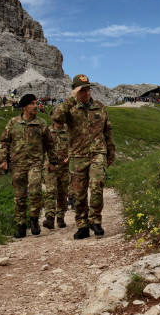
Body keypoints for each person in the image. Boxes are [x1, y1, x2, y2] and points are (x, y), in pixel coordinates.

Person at [51, 74, 115, 240]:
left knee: (97, 184)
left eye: (88, 89)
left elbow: (107, 131)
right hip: (78, 156)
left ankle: (96, 220)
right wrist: (71, 99)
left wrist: (110, 152)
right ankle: (82, 225)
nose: (87, 93)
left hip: (97, 153)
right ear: (76, 91)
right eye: (82, 90)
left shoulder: (100, 107)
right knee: (79, 194)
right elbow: (56, 117)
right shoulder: (70, 108)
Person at [0, 94, 57, 238]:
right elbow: (4, 142)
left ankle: (34, 220)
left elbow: (49, 144)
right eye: (32, 103)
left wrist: (53, 161)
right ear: (24, 107)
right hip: (17, 164)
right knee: (20, 196)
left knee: (36, 190)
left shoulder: (41, 123)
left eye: (36, 103)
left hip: (35, 164)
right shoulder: (13, 122)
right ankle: (21, 225)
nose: (36, 106)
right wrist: (2, 160)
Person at [43, 117, 70, 229]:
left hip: (65, 167)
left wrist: (70, 156)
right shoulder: (46, 131)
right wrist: (46, 162)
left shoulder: (69, 131)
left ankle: (60, 217)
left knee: (62, 193)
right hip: (50, 167)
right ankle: (50, 217)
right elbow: (42, 148)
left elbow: (75, 144)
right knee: (51, 191)